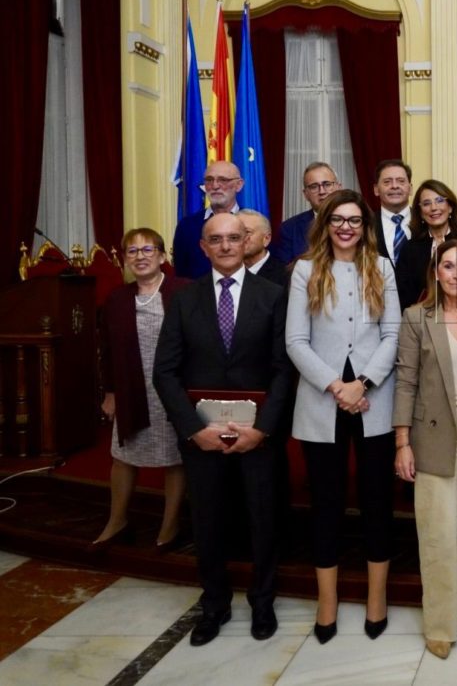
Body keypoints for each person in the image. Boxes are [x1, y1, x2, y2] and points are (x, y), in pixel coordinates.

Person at [153, 212, 290, 646]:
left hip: (258, 439)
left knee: (262, 520)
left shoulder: (273, 296)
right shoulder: (183, 299)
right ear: (203, 247)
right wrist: (193, 429)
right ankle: (214, 604)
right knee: (208, 522)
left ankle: (262, 600)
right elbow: (165, 372)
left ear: (247, 240)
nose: (228, 245)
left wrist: (264, 430)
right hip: (203, 440)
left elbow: (284, 370)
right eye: (218, 239)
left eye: (235, 237)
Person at [285, 189, 400, 644]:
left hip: (375, 400)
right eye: (338, 220)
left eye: (354, 220)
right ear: (326, 224)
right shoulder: (305, 270)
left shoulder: (383, 268)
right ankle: (327, 600)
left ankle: (377, 598)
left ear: (365, 226)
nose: (347, 227)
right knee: (326, 504)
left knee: (377, 503)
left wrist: (363, 383)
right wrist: (336, 385)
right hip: (322, 399)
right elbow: (295, 341)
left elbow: (392, 334)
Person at [393, 238, 457, 659]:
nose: (456, 274)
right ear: (436, 272)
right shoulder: (417, 317)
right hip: (432, 433)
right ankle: (438, 624)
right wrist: (402, 442)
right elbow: (406, 382)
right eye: (448, 266)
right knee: (437, 530)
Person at [95, 228, 188, 552]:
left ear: (163, 256)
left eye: (148, 250)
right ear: (125, 260)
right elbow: (105, 349)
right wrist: (110, 392)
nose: (140, 256)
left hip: (174, 389)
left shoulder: (183, 292)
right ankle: (117, 520)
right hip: (131, 386)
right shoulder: (118, 298)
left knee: (175, 458)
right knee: (123, 456)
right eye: (132, 251)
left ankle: (169, 524)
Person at [397, 179, 457, 308]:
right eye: (426, 203)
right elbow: (404, 293)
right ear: (421, 212)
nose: (434, 208)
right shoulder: (409, 249)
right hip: (421, 319)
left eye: (439, 201)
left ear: (450, 207)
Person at [171, 160, 242, 279]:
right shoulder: (187, 226)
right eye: (209, 180)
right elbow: (181, 275)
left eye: (223, 180)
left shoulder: (251, 223)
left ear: (238, 185)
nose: (215, 186)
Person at [272, 161, 341, 265]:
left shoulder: (359, 223)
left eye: (327, 184)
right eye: (314, 186)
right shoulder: (289, 229)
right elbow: (283, 273)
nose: (322, 191)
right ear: (306, 194)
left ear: (338, 187)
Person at [372, 159, 413, 275]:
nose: (394, 186)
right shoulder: (365, 224)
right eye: (387, 182)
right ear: (376, 189)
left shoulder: (426, 220)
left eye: (401, 181)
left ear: (410, 188)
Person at [240, 209, 289, 288]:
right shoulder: (224, 271)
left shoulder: (285, 275)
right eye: (235, 233)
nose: (240, 237)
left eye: (247, 232)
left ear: (266, 239)